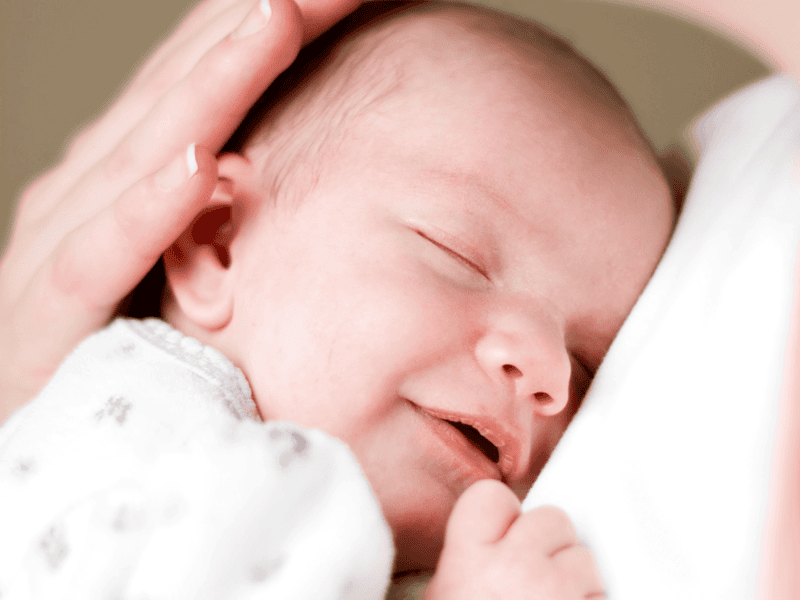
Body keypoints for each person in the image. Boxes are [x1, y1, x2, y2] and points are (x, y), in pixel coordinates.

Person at [0, 0, 797, 597]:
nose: (549, 371)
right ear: (214, 239)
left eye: (589, 363)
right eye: (457, 256)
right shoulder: (148, 446)